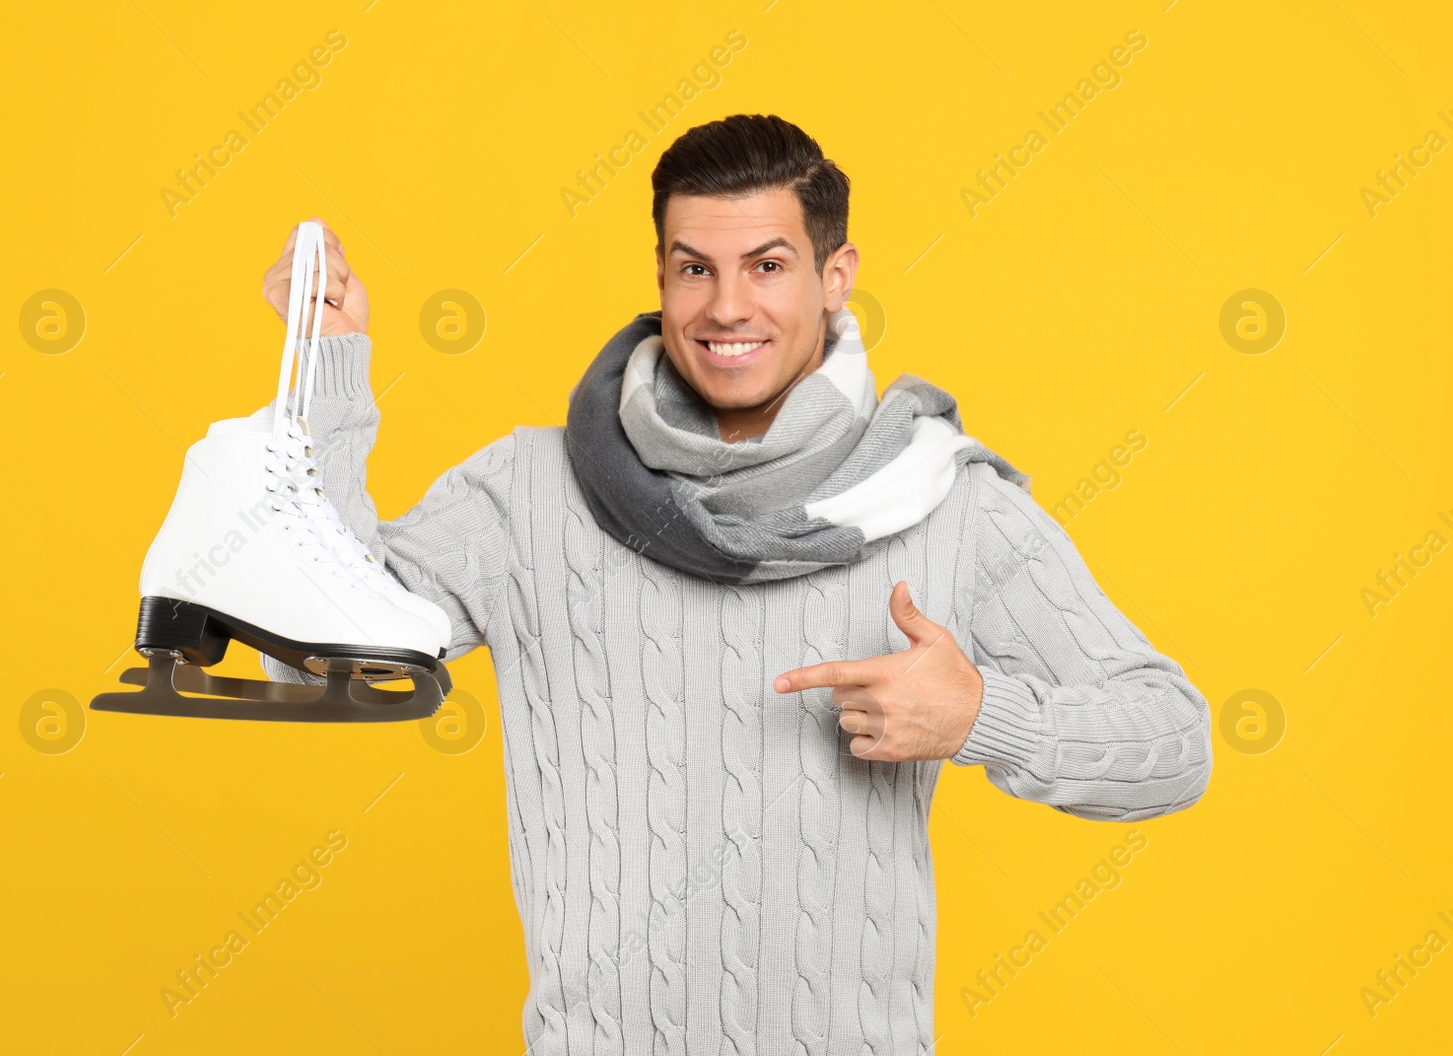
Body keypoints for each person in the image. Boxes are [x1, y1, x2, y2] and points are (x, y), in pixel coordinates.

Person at [256, 113, 1212, 1053]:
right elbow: (316, 653)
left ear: (836, 277)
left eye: (767, 265)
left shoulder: (937, 499)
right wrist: (329, 366)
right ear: (663, 277)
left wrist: (984, 718)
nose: (726, 308)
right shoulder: (531, 492)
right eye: (694, 268)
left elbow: (1174, 743)